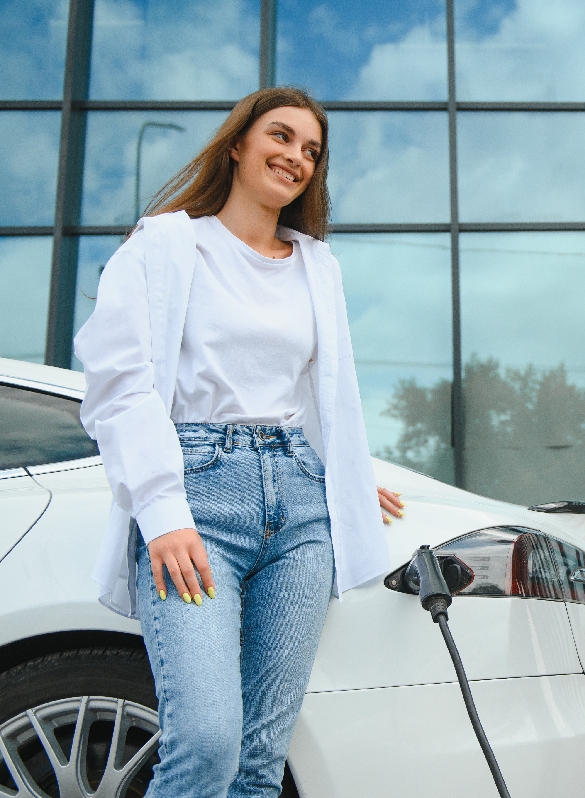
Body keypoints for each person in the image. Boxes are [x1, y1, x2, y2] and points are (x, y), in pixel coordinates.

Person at [75, 87, 405, 797]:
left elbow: (326, 394)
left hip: (298, 510)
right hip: (197, 495)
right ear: (237, 144)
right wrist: (161, 512)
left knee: (261, 759)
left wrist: (346, 476)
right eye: (280, 137)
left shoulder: (318, 265)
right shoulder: (165, 243)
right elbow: (117, 386)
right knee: (206, 742)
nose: (295, 157)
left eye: (311, 151)